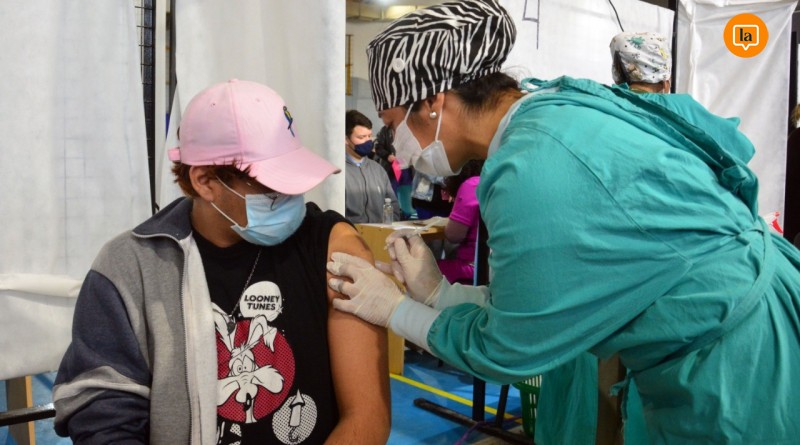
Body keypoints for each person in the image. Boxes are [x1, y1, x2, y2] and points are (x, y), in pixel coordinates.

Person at [326, 1, 800, 444]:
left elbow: (509, 349)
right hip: (734, 324)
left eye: (393, 123)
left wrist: (395, 310)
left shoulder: (529, 166)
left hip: (735, 363)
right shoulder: (556, 109)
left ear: (433, 101)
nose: (395, 142)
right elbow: (544, 302)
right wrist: (438, 294)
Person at [53, 79, 391, 444]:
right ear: (205, 181)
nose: (292, 195)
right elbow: (105, 414)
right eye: (272, 186)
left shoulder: (331, 246)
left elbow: (367, 417)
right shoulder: (130, 269)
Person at [344, 109, 400, 223]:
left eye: (369, 136)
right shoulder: (338, 172)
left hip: (380, 232)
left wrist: (390, 227)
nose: (368, 141)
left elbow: (392, 204)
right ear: (346, 139)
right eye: (361, 137)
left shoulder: (378, 170)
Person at [438, 160, 483, 285]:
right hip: (491, 265)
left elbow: (453, 235)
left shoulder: (471, 186)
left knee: (423, 269)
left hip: (471, 266)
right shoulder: (493, 182)